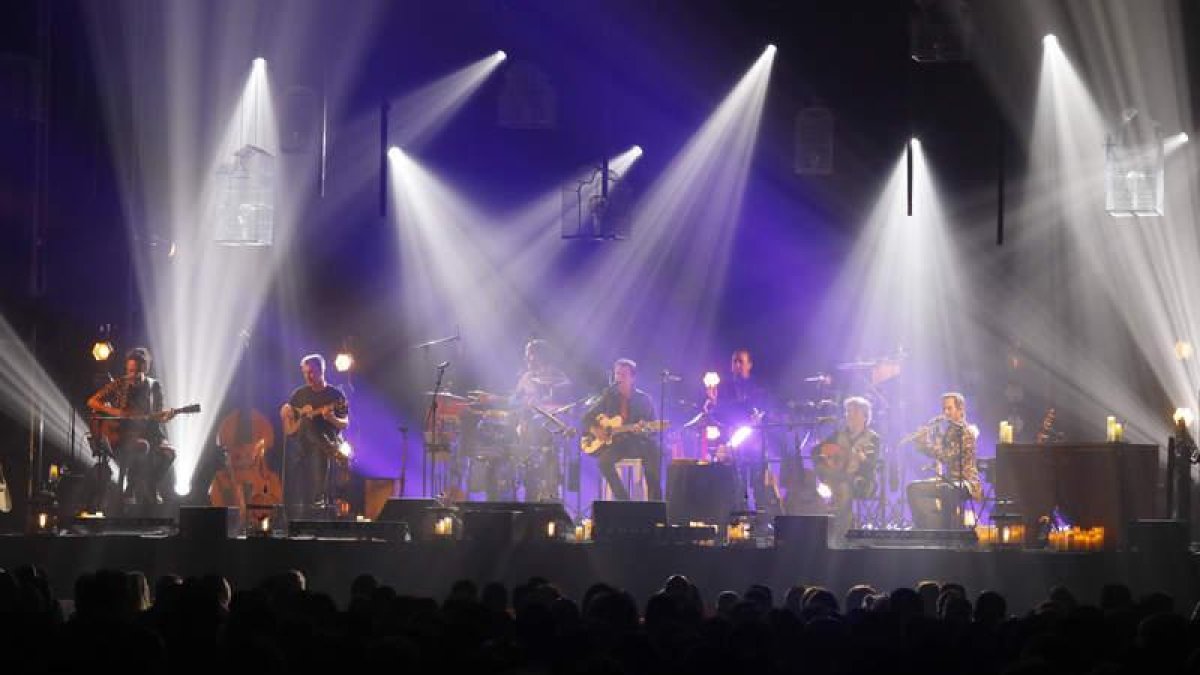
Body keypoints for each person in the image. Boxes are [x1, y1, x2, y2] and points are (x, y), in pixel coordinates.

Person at [86, 347, 177, 506]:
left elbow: (157, 416)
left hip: (149, 431)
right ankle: (130, 487)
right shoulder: (120, 383)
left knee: (169, 453)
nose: (132, 375)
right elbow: (92, 401)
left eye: (136, 371)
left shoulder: (154, 386)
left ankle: (151, 484)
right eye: (130, 370)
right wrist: (116, 411)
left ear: (145, 369)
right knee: (142, 446)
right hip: (123, 432)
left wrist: (167, 417)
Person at [703, 348, 779, 513]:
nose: (737, 365)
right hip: (734, 442)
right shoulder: (723, 389)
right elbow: (717, 415)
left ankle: (761, 519)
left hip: (755, 443)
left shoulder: (759, 387)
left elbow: (764, 410)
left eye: (741, 361)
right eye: (734, 361)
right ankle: (739, 518)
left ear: (749, 365)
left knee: (759, 484)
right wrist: (713, 404)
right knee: (737, 484)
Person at [582, 358, 662, 501]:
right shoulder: (609, 396)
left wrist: (643, 430)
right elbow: (586, 418)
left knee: (653, 451)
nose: (619, 378)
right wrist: (596, 430)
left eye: (623, 375)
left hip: (637, 442)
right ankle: (624, 501)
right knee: (604, 462)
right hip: (617, 444)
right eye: (617, 374)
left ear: (633, 378)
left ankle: (655, 504)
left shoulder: (644, 400)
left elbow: (653, 429)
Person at [280, 354, 349, 514]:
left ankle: (329, 450)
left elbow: (345, 424)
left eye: (311, 372)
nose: (308, 376)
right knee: (305, 422)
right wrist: (285, 412)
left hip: (326, 439)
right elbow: (287, 415)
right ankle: (333, 452)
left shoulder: (336, 396)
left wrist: (331, 418)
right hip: (302, 442)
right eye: (305, 372)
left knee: (309, 425)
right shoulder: (299, 394)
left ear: (322, 370)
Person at [907, 392, 981, 529]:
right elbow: (937, 454)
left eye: (949, 408)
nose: (946, 412)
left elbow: (947, 456)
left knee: (948, 489)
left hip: (967, 482)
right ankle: (926, 528)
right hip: (948, 480)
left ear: (960, 410)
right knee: (913, 488)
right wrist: (922, 443)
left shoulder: (966, 432)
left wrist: (926, 444)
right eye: (944, 409)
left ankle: (946, 531)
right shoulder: (948, 431)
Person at [509, 339, 571, 501]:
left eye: (531, 354)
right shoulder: (526, 377)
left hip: (549, 424)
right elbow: (512, 401)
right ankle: (530, 494)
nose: (528, 358)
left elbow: (566, 400)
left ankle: (550, 492)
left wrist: (547, 403)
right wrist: (524, 401)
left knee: (548, 455)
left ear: (541, 356)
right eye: (527, 355)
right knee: (528, 461)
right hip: (528, 426)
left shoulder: (557, 375)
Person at [815, 396, 880, 537]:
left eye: (854, 412)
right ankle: (824, 532)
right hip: (839, 478)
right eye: (848, 412)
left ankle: (840, 535)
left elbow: (873, 465)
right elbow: (816, 451)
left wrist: (863, 459)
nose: (849, 416)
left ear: (864, 416)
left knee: (843, 487)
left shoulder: (873, 438)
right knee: (833, 482)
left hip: (863, 481)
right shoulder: (839, 435)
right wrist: (827, 462)